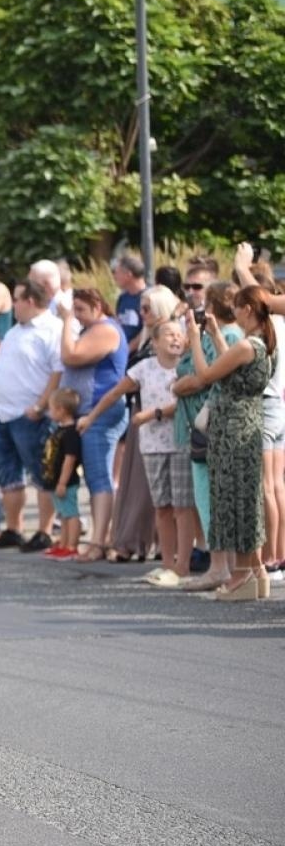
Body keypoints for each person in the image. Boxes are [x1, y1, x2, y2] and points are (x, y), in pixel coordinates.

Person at [173, 285, 277, 601]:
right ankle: (255, 572)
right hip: (246, 424)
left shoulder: (248, 346)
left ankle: (241, 575)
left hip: (233, 430)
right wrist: (216, 334)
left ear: (247, 309)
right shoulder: (260, 344)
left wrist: (193, 336)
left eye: (238, 306)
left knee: (233, 501)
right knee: (245, 499)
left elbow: (205, 375)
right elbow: (229, 366)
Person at [81, 321, 187, 579]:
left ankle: (182, 564)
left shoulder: (187, 367)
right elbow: (114, 392)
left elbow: (185, 401)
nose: (176, 338)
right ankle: (167, 563)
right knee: (162, 506)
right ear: (155, 342)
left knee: (183, 507)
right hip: (151, 446)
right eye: (170, 334)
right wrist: (91, 417)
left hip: (181, 443)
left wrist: (151, 414)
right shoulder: (143, 368)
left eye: (179, 334)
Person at [172, 272, 240, 591]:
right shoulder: (238, 334)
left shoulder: (226, 335)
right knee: (225, 497)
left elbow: (206, 375)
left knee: (209, 496)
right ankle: (235, 568)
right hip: (228, 421)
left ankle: (219, 567)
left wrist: (197, 338)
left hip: (214, 421)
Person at [108, 285, 182, 568]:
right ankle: (135, 542)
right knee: (142, 489)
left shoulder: (169, 336)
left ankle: (157, 547)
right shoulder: (144, 338)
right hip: (140, 416)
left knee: (154, 493)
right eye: (141, 308)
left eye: (147, 308)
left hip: (158, 419)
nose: (142, 313)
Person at [0, 282, 61, 551]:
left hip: (30, 414)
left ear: (30, 300)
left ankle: (44, 530)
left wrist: (41, 405)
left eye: (16, 300)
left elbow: (57, 371)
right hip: (1, 412)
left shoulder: (52, 329)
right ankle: (14, 528)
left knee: (41, 473)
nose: (12, 305)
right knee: (8, 475)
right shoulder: (17, 329)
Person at [57, 287, 128, 560]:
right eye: (74, 311)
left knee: (99, 477)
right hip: (89, 413)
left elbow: (71, 355)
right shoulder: (93, 328)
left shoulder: (105, 329)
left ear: (98, 307)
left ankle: (99, 541)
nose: (77, 317)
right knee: (95, 477)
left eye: (82, 311)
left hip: (99, 413)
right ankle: (100, 537)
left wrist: (65, 321)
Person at [232, 243, 285, 583]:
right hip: (278, 405)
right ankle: (278, 556)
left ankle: (273, 558)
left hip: (268, 405)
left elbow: (264, 301)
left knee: (267, 486)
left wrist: (241, 266)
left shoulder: (271, 322)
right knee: (277, 485)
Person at [41, 389, 85, 559]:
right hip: (55, 480)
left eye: (51, 408)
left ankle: (72, 546)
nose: (50, 412)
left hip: (66, 482)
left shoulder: (71, 433)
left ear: (61, 409)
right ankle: (63, 543)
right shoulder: (59, 431)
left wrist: (62, 482)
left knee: (71, 514)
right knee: (63, 514)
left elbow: (70, 459)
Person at [113, 254, 148, 350]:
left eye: (117, 273)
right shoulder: (123, 298)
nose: (115, 277)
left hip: (139, 354)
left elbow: (148, 329)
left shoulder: (148, 297)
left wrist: (128, 349)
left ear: (128, 275)